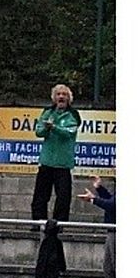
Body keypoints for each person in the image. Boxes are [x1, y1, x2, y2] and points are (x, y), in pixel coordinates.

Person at [30, 84, 82, 231]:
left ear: (69, 98)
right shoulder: (47, 112)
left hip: (63, 164)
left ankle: (59, 226)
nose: (61, 97)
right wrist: (47, 127)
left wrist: (54, 127)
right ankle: (38, 224)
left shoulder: (73, 115)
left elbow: (69, 133)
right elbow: (39, 132)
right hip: (46, 162)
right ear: (54, 97)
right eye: (58, 94)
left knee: (63, 197)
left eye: (64, 94)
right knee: (40, 197)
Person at [78, 176, 116, 278]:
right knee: (109, 269)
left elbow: (113, 206)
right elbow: (111, 201)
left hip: (116, 231)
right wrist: (100, 189)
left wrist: (94, 199)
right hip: (111, 230)